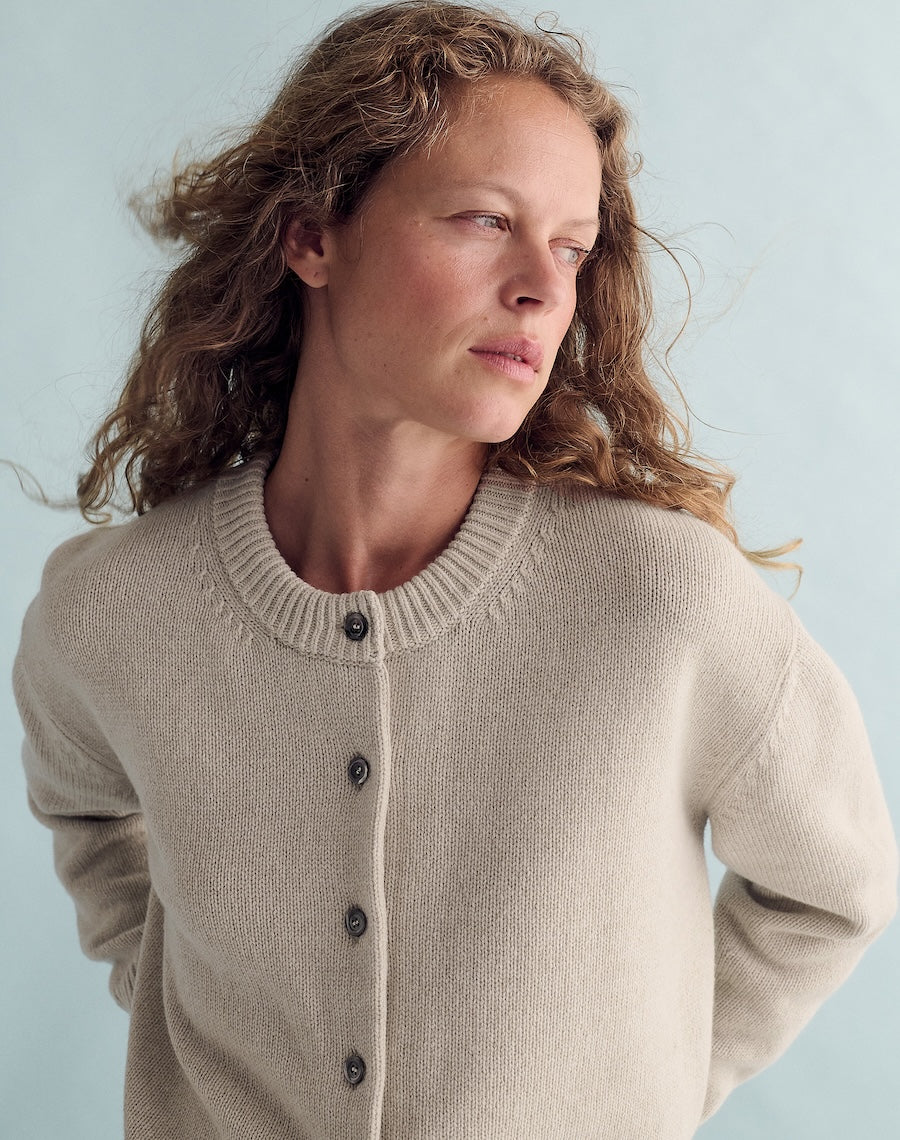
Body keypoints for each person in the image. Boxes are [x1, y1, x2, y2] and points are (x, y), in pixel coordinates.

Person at [11, 2, 897, 1138]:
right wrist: (175, 1009)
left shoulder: (660, 598)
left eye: (571, 247)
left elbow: (837, 886)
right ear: (312, 237)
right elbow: (91, 818)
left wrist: (645, 1084)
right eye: (486, 220)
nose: (541, 286)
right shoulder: (112, 611)